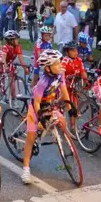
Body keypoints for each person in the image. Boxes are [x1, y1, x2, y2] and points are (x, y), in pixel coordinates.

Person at [20, 49, 76, 184]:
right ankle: (26, 169)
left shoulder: (59, 74)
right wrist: (40, 119)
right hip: (36, 108)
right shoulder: (43, 81)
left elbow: (64, 92)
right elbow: (37, 103)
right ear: (48, 67)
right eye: (57, 64)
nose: (60, 66)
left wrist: (70, 109)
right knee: (31, 137)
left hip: (49, 104)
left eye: (60, 62)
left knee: (62, 122)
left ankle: (60, 140)